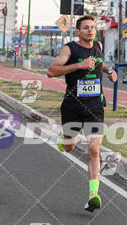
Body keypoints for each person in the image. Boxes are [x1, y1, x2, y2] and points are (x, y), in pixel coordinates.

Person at [47, 15, 117, 212]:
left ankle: (93, 196)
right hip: (73, 105)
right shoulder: (70, 48)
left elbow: (98, 63)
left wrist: (109, 70)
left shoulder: (98, 46)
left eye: (93, 27)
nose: (90, 30)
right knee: (69, 147)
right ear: (78, 31)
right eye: (86, 28)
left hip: (94, 106)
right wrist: (79, 65)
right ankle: (65, 137)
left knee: (94, 149)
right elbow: (51, 71)